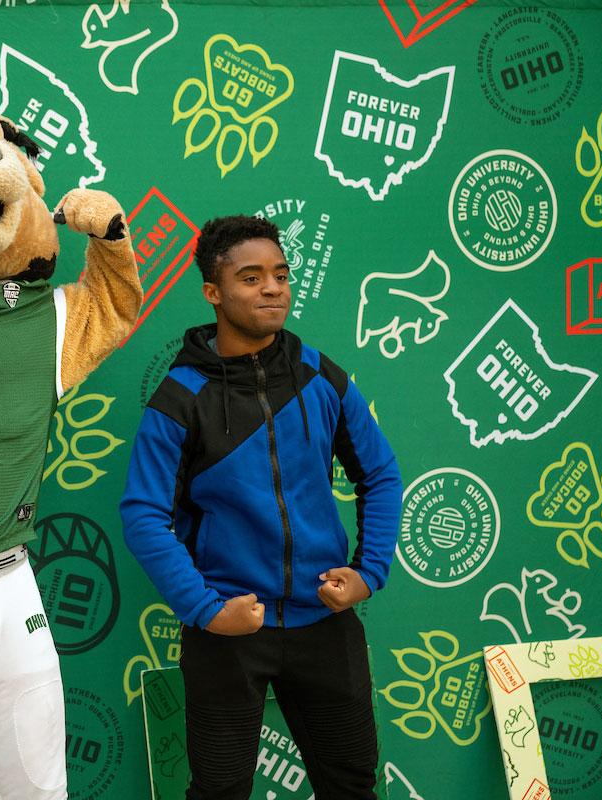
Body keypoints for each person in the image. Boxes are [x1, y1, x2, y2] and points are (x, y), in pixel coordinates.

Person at [120, 215, 402, 799]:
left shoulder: (321, 376)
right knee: (220, 791)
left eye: (280, 274)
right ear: (213, 293)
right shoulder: (179, 398)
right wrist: (205, 608)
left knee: (351, 785)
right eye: (251, 278)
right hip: (228, 629)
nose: (272, 288)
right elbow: (143, 514)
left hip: (324, 621)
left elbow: (379, 473)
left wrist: (369, 573)